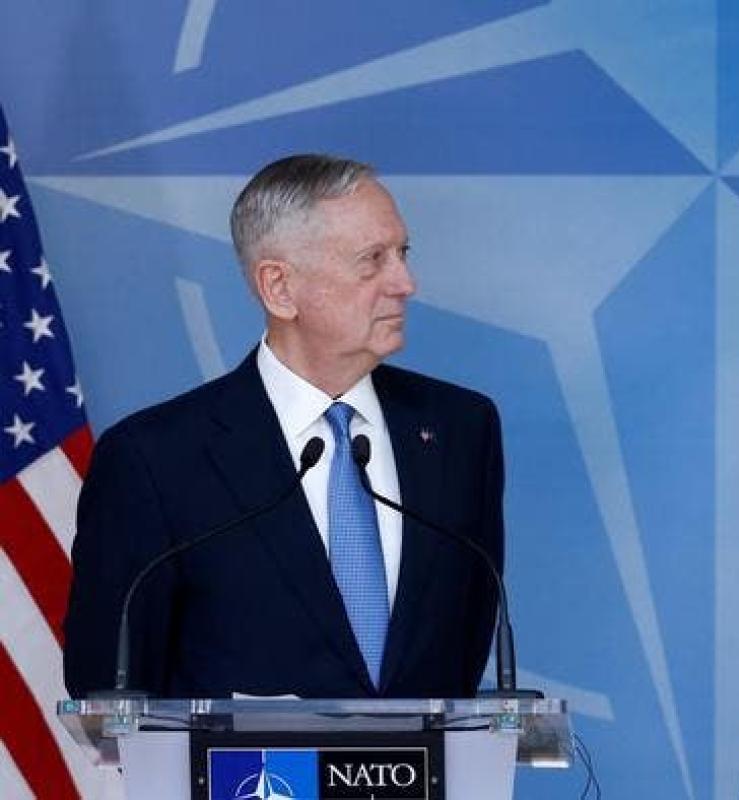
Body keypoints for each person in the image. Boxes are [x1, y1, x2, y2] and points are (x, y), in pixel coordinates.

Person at [64, 154, 504, 698]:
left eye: (402, 253)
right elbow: (112, 690)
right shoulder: (154, 459)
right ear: (279, 288)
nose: (405, 283)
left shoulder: (460, 430)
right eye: (372, 260)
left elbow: (465, 643)